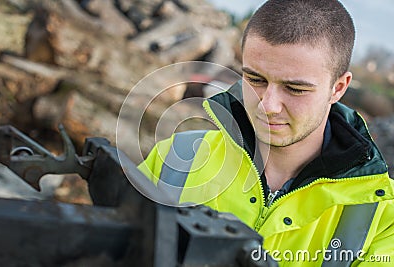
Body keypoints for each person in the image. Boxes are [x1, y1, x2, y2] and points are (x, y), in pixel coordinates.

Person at [138, 0, 394, 265]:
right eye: (256, 80)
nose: (268, 106)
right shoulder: (176, 158)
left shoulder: (383, 219)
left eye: (295, 89)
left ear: (338, 88)